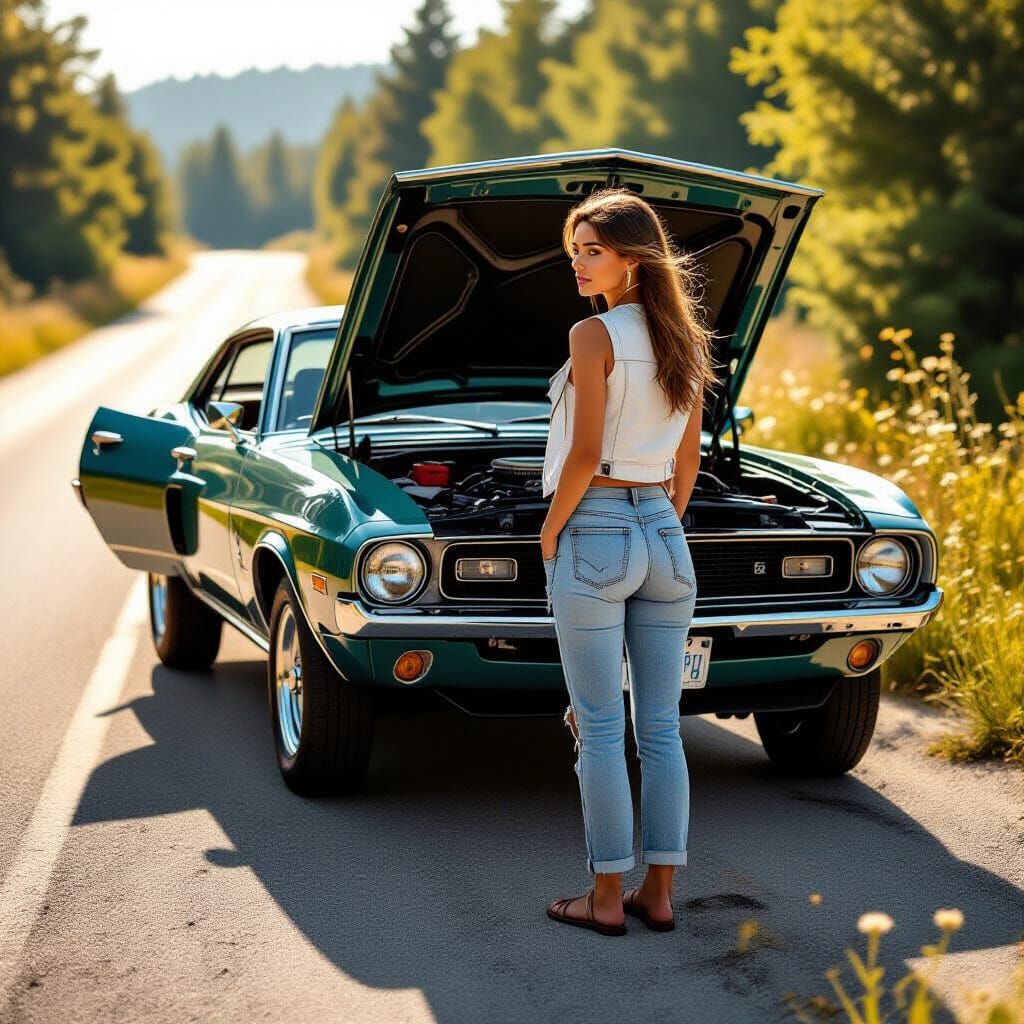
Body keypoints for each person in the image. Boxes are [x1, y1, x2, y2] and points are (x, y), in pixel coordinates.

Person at [541, 187, 718, 937]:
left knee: (601, 728)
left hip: (595, 526)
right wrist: (657, 526)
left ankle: (607, 898)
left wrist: (553, 534)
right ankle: (661, 893)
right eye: (575, 249)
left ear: (633, 257)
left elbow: (583, 454)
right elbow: (688, 461)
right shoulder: (686, 338)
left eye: (594, 250)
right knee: (663, 729)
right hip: (665, 538)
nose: (579, 264)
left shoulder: (594, 336)